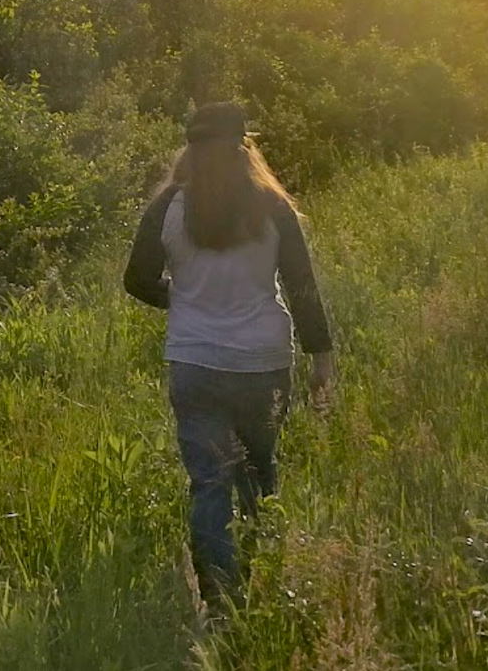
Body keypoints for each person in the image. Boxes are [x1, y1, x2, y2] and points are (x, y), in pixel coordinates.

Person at [123, 101, 336, 610]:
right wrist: (321, 358)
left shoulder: (169, 206)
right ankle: (263, 592)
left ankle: (220, 608)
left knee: (210, 485)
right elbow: (301, 287)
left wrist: (179, 294)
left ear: (190, 150)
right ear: (244, 148)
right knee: (259, 476)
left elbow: (136, 280)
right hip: (264, 363)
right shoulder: (272, 205)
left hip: (196, 365)